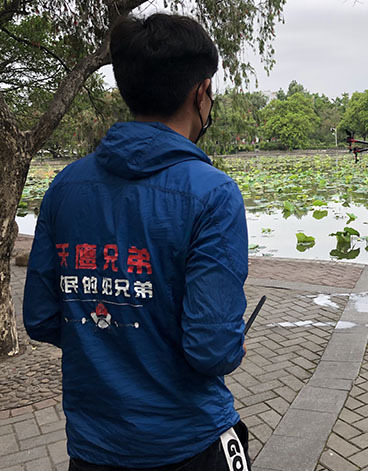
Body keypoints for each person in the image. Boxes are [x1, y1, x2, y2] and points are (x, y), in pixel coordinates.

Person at [23, 12, 251, 471]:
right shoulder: (212, 193)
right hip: (188, 441)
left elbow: (42, 319)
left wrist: (108, 337)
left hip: (92, 447)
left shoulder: (65, 188)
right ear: (201, 92)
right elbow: (211, 350)